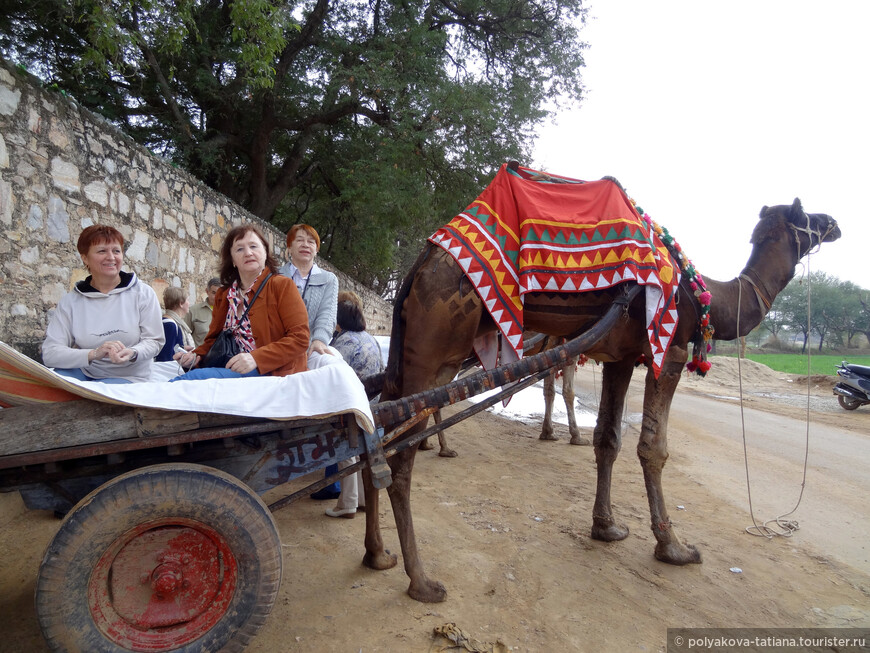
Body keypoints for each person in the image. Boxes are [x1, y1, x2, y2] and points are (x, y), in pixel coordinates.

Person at [173, 224, 309, 380]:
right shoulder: (224, 295)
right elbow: (214, 340)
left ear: (265, 252)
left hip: (272, 373)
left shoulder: (281, 285)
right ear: (232, 260)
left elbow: (300, 338)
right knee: (190, 379)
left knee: (189, 380)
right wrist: (195, 355)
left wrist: (256, 358)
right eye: (239, 249)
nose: (248, 253)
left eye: (253, 246)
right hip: (232, 367)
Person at [42, 224, 164, 383]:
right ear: (85, 258)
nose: (111, 257)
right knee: (53, 385)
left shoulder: (143, 294)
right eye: (102, 251)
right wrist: (93, 354)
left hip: (130, 378)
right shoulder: (70, 302)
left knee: (93, 400)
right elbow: (50, 353)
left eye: (116, 251)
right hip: (86, 374)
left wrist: (133, 352)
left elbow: (154, 341)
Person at [278, 224, 341, 498]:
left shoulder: (329, 279)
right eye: (299, 240)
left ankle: (334, 475)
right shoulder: (274, 275)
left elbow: (327, 315)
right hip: (278, 349)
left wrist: (320, 341)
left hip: (310, 346)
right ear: (289, 246)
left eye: (311, 241)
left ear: (317, 248)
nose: (305, 244)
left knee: (334, 375)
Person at [324, 291, 385, 519]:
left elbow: (332, 376)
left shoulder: (343, 342)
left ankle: (347, 503)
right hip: (372, 404)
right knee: (361, 452)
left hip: (352, 405)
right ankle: (361, 500)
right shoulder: (370, 338)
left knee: (345, 452)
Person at [156, 287, 194, 362]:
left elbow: (172, 347)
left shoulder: (175, 322)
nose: (189, 303)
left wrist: (182, 348)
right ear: (181, 303)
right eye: (188, 300)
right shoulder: (169, 324)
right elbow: (166, 356)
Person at [185, 277, 220, 347]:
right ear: (207, 291)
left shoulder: (229, 313)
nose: (217, 297)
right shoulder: (193, 311)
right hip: (200, 356)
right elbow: (185, 336)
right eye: (214, 293)